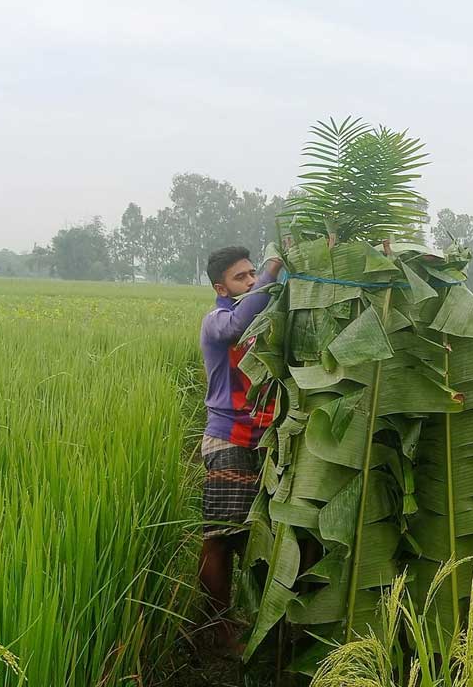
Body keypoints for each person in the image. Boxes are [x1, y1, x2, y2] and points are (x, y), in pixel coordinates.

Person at [198, 245, 281, 646]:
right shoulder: (218, 320)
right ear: (220, 287)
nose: (251, 282)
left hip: (267, 438)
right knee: (222, 535)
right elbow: (235, 329)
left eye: (253, 274)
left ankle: (259, 619)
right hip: (227, 436)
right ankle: (216, 624)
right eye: (241, 277)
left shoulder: (264, 320)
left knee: (261, 534)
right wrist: (273, 270)